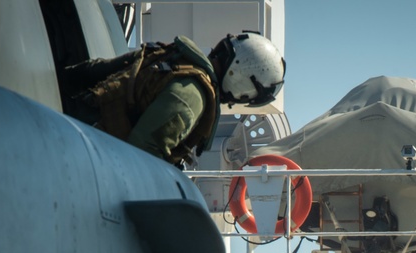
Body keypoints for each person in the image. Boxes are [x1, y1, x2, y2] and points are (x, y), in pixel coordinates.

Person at [61, 31, 285, 166]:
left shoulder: (173, 56)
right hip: (85, 148)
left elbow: (94, 71)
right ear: (243, 79)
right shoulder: (192, 96)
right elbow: (142, 153)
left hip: (69, 124)